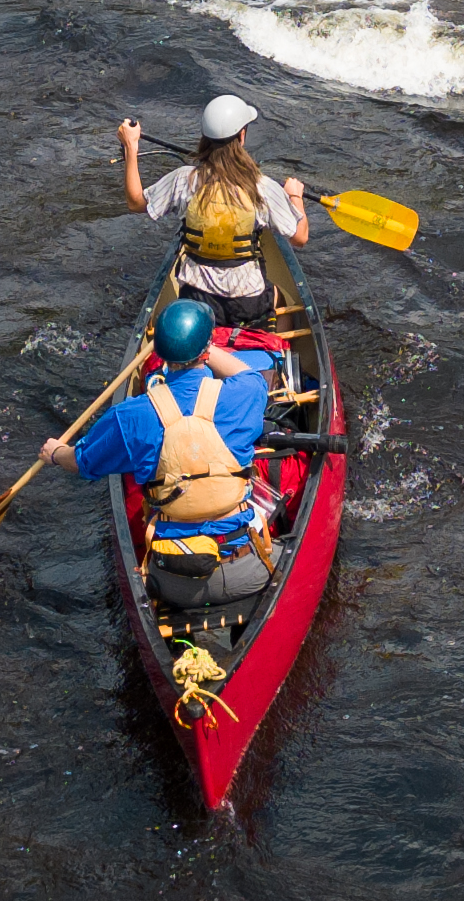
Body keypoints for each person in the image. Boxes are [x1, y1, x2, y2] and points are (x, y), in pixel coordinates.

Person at [54, 298, 280, 609]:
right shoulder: (246, 393)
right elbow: (249, 375)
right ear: (206, 351)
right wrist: (207, 345)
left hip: (174, 583)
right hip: (248, 571)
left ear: (158, 353)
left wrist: (55, 453)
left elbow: (81, 463)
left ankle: (179, 636)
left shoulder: (129, 416)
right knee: (289, 549)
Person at [118, 91, 309, 329]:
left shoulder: (183, 179)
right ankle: (275, 352)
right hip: (247, 303)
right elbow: (300, 238)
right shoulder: (262, 187)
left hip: (195, 298)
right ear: (242, 136)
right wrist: (294, 195)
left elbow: (135, 202)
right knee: (283, 299)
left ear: (204, 138)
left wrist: (131, 147)